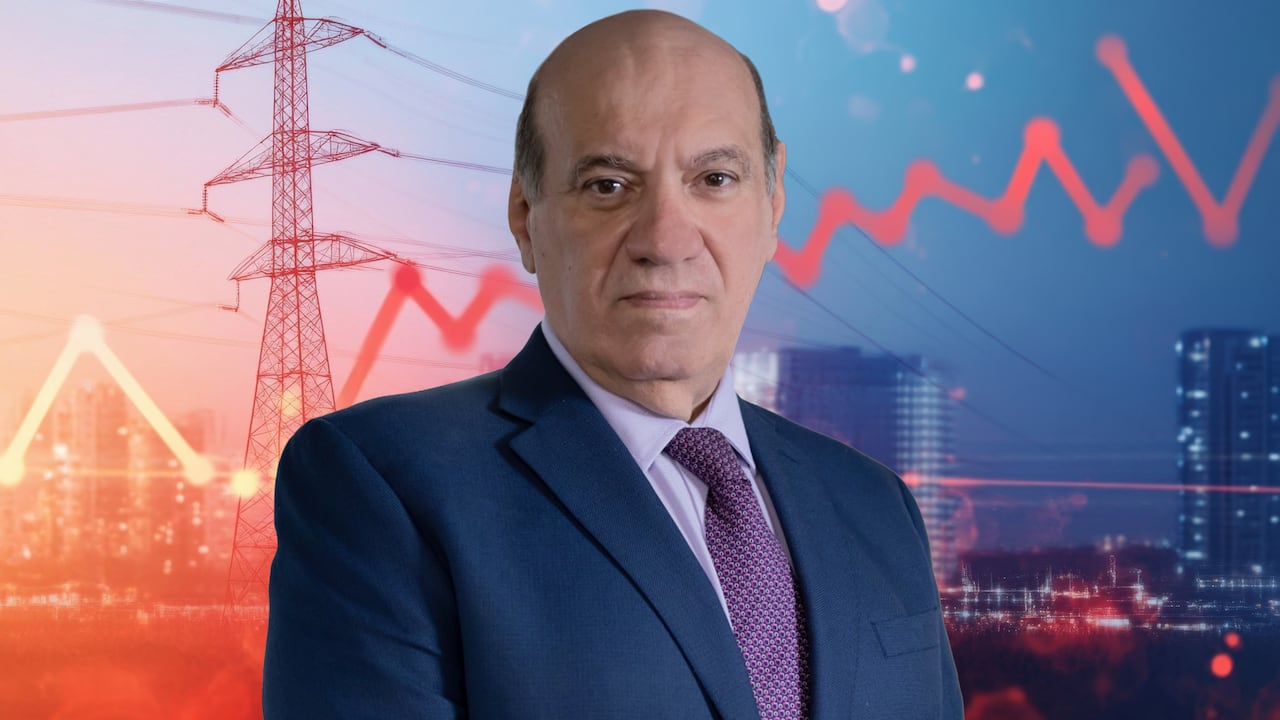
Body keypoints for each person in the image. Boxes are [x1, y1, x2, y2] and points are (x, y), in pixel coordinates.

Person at [262, 9, 962, 720]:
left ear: (773, 201)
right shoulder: (383, 486)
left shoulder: (875, 505)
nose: (666, 240)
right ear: (525, 213)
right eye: (608, 185)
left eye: (715, 178)